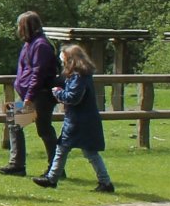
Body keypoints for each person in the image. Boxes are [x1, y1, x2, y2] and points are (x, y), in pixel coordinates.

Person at [33, 44, 114, 193]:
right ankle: (53, 178)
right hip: (81, 119)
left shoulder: (78, 76)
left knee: (73, 150)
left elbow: (73, 97)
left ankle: (53, 179)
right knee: (71, 150)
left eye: (64, 58)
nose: (62, 61)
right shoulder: (80, 75)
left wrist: (58, 93)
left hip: (79, 121)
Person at [3, 10, 60, 177]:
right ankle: (17, 165)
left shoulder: (40, 45)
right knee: (15, 122)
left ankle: (56, 167)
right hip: (33, 95)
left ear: (27, 26)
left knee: (44, 129)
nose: (18, 29)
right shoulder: (30, 44)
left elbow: (38, 73)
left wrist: (28, 97)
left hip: (39, 95)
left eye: (19, 26)